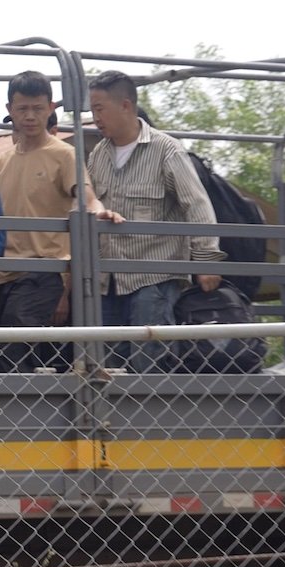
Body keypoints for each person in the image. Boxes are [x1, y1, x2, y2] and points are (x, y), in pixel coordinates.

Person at [0, 71, 124, 372]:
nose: (30, 116)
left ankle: (20, 415)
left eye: (38, 108)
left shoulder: (65, 155)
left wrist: (98, 209)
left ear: (51, 108)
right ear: (10, 110)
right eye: (22, 109)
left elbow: (85, 195)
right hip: (5, 275)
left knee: (13, 356)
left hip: (44, 271)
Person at [87, 70, 225, 372]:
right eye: (92, 109)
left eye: (99, 108)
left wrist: (207, 261)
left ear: (125, 106)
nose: (95, 117)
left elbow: (197, 204)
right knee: (108, 363)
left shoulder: (166, 150)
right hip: (107, 277)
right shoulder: (98, 154)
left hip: (153, 275)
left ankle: (153, 418)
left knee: (149, 358)